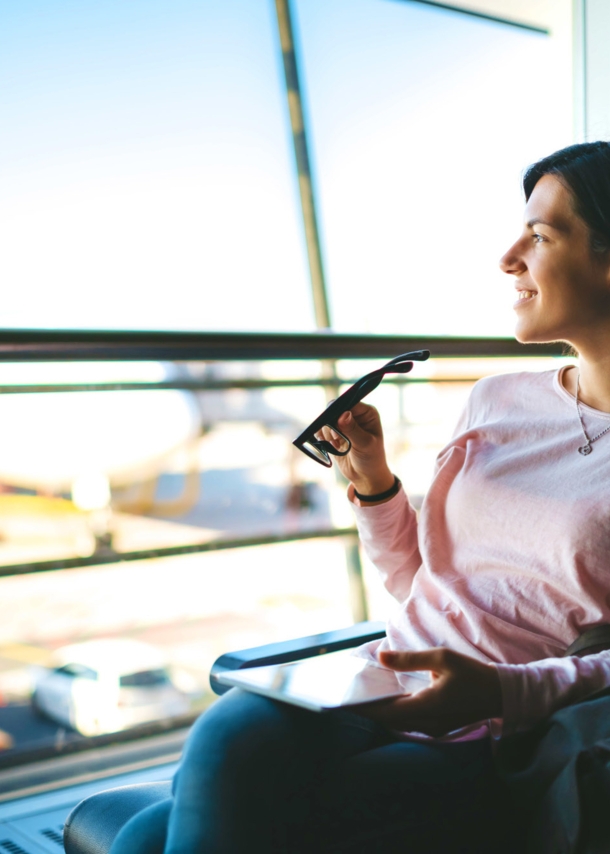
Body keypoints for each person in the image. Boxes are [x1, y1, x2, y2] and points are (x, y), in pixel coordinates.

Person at [110, 141, 610, 853]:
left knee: (150, 833)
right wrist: (374, 485)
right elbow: (421, 582)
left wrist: (502, 692)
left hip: (504, 735)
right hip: (384, 679)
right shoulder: (497, 399)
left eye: (540, 234)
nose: (508, 257)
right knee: (223, 738)